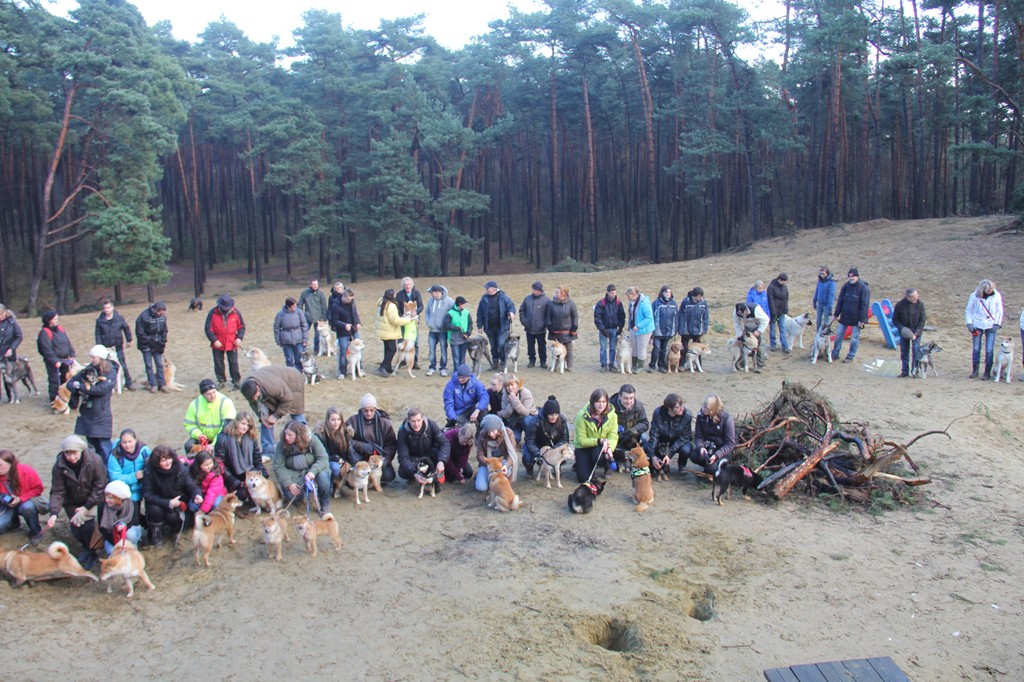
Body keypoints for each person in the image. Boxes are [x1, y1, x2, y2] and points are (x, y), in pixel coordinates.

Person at [46, 435, 107, 568]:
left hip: (92, 500)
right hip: (72, 502)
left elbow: (100, 486)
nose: (71, 457)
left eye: (74, 453)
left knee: (88, 528)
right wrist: (54, 512)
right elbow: (57, 490)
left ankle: (93, 552)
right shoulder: (59, 466)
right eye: (68, 453)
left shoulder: (95, 461)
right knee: (76, 530)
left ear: (81, 451)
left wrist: (86, 507)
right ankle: (86, 548)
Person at [142, 445, 202, 548]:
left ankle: (175, 530)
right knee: (155, 510)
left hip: (179, 503)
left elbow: (191, 486)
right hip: (159, 502)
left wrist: (197, 495)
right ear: (157, 462)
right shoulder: (150, 472)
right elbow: (148, 494)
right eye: (163, 460)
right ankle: (157, 535)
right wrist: (168, 502)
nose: (168, 462)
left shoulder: (181, 469)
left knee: (173, 517)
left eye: (169, 458)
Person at [239, 365, 306, 456]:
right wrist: (261, 416)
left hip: (292, 381)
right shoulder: (246, 389)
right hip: (274, 384)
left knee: (296, 414)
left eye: (256, 396)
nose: (255, 399)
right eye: (252, 397)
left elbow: (288, 399)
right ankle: (268, 450)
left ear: (258, 388)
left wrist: (275, 416)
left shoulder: (272, 386)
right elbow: (253, 403)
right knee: (265, 420)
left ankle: (304, 442)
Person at [67, 345, 119, 462]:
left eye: (93, 357)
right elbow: (70, 383)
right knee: (91, 448)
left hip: (101, 413)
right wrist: (79, 386)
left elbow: (101, 389)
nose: (91, 360)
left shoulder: (110, 371)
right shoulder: (88, 370)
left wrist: (81, 387)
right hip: (87, 413)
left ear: (101, 358)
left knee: (105, 448)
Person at [273, 420, 330, 515]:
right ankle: (300, 498)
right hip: (294, 472)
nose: (286, 437)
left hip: (313, 469)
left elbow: (323, 458)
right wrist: (288, 483)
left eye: (290, 435)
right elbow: (278, 466)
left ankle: (325, 503)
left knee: (323, 477)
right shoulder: (282, 444)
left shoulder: (312, 439)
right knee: (292, 495)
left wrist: (313, 471)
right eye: (285, 434)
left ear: (298, 435)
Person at [346, 394, 398, 484]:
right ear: (361, 410)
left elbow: (391, 444)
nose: (369, 413)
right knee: (352, 482)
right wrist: (362, 446)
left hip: (378, 458)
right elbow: (346, 441)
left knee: (389, 476)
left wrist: (383, 461)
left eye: (372, 410)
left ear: (375, 409)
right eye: (365, 410)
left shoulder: (384, 423)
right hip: (360, 458)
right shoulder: (352, 421)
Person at [214, 411, 266, 501]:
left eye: (248, 425)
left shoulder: (251, 437)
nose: (245, 427)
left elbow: (256, 457)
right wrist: (233, 481)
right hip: (231, 474)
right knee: (241, 495)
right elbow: (220, 464)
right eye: (243, 423)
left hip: (248, 472)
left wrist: (263, 474)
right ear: (236, 422)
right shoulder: (223, 438)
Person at [0, 450, 46, 544]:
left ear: (10, 463)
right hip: (6, 504)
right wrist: (5, 499)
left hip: (26, 501)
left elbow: (38, 489)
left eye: (1, 465)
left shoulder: (26, 471)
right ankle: (14, 523)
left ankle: (35, 531)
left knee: (27, 507)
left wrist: (20, 499)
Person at [644, 394, 694, 478]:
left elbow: (685, 437)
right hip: (663, 440)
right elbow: (654, 434)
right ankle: (660, 463)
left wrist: (669, 454)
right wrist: (652, 456)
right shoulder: (658, 413)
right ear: (670, 408)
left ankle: (681, 465)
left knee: (686, 449)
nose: (682, 408)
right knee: (647, 446)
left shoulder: (687, 415)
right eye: (678, 407)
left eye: (682, 405)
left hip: (678, 440)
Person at [574, 388, 618, 482]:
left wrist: (610, 448)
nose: (601, 404)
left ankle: (607, 465)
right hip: (584, 447)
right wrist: (599, 441)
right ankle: (582, 463)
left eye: (604, 401)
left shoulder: (613, 416)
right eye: (598, 401)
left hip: (601, 446)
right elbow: (581, 440)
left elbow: (613, 436)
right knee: (583, 479)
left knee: (600, 456)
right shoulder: (581, 416)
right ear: (592, 402)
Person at [396, 408, 450, 484]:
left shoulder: (431, 425)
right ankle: (416, 476)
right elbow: (403, 456)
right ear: (408, 420)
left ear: (423, 418)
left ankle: (435, 473)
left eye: (418, 420)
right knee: (403, 471)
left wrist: (441, 461)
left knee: (447, 460)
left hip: (431, 454)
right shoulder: (402, 432)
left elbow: (444, 443)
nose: (416, 424)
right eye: (413, 421)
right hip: (414, 458)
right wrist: (414, 474)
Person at [204, 294, 246, 391]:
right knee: (218, 362)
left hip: (232, 342)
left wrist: (239, 338)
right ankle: (221, 380)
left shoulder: (236, 313)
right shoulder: (212, 313)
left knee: (234, 362)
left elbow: (242, 327)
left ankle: (236, 381)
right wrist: (214, 340)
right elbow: (208, 329)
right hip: (217, 343)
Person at [184, 378, 237, 453]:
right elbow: (189, 424)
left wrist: (213, 444)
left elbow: (226, 427)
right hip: (203, 438)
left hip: (222, 437)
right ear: (202, 395)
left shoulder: (225, 402)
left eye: (214, 392)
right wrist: (199, 435)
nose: (212, 396)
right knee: (188, 446)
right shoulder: (195, 404)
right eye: (208, 394)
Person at [965, 279, 1004, 379]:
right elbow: (969, 310)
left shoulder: (997, 296)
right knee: (976, 348)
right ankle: (975, 370)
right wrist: (969, 323)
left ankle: (987, 372)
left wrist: (997, 323)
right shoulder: (974, 296)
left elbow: (999, 310)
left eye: (991, 289)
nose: (991, 291)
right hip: (977, 324)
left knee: (989, 349)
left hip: (991, 325)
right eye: (988, 289)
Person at [375, 288, 418, 378]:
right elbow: (395, 321)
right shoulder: (391, 306)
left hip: (382, 330)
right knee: (392, 349)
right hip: (389, 331)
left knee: (387, 349)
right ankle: (382, 367)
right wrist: (408, 320)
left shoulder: (381, 301)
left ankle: (388, 367)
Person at [524, 395, 570, 478]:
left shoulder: (562, 419)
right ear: (546, 414)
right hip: (538, 445)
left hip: (553, 445)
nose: (554, 417)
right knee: (527, 457)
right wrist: (539, 454)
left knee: (564, 454)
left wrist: (555, 451)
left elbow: (565, 438)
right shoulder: (535, 421)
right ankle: (529, 469)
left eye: (556, 414)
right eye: (551, 415)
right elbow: (529, 440)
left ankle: (557, 466)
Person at [831, 267, 871, 363]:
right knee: (839, 334)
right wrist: (836, 314)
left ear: (857, 276)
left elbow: (864, 305)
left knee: (854, 338)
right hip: (845, 316)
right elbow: (840, 300)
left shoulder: (863, 288)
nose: (851, 278)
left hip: (856, 318)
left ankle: (850, 355)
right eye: (850, 276)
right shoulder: (846, 286)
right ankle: (835, 353)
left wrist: (862, 320)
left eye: (853, 276)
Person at [94, 299, 135, 391]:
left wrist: (129, 340)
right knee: (106, 367)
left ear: (112, 308)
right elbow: (97, 334)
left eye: (108, 307)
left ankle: (129, 383)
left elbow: (126, 328)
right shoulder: (100, 321)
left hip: (117, 346)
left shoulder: (119, 318)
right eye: (105, 308)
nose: (107, 310)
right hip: (105, 348)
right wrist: (100, 347)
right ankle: (109, 384)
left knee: (122, 364)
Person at [691, 394, 737, 474]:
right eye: (703, 405)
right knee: (694, 456)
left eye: (706, 407)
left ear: (713, 409)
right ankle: (708, 465)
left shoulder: (727, 420)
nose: (703, 408)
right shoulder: (701, 416)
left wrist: (716, 455)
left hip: (723, 449)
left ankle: (716, 467)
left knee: (710, 469)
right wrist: (701, 447)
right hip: (709, 446)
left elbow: (730, 444)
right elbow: (698, 436)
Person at [37, 310, 76, 402]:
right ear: (49, 320)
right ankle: (54, 401)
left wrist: (72, 353)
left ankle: (66, 399)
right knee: (54, 381)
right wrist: (55, 361)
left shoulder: (60, 329)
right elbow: (46, 350)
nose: (57, 320)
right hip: (54, 363)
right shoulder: (44, 333)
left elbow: (67, 342)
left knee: (66, 379)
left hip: (65, 359)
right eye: (54, 319)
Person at [476, 280, 516, 370]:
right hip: (489, 327)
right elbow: (480, 313)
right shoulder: (484, 299)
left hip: (502, 327)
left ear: (494, 289)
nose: (486, 289)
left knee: (501, 344)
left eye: (487, 288)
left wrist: (511, 312)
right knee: (493, 346)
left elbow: (511, 306)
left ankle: (503, 362)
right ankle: (495, 362)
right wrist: (479, 325)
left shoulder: (503, 297)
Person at [96, 480, 142, 554]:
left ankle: (132, 547)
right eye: (106, 497)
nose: (106, 500)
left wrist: (122, 527)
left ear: (119, 498)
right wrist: (117, 542)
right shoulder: (102, 506)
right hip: (111, 536)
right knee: (112, 552)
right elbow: (102, 528)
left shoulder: (132, 505)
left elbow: (134, 522)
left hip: (128, 531)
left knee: (130, 535)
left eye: (110, 498)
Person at [474, 413, 517, 492]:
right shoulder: (482, 435)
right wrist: (489, 463)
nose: (491, 434)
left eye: (493, 431)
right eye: (488, 432)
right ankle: (482, 475)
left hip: (503, 462)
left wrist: (506, 466)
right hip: (488, 464)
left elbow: (512, 454)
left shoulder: (508, 433)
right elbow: (480, 455)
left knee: (502, 487)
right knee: (481, 487)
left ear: (498, 428)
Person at [106, 429, 150, 503]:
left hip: (142, 488)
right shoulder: (115, 456)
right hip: (123, 492)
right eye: (124, 442)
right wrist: (134, 477)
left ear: (135, 440)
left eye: (130, 441)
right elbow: (115, 477)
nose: (127, 445)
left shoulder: (144, 451)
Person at [609, 384, 650, 464]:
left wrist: (633, 430)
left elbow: (645, 423)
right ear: (619, 396)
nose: (629, 401)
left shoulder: (638, 406)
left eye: (631, 398)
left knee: (644, 438)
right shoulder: (610, 406)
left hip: (632, 434)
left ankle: (635, 456)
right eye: (626, 398)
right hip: (615, 434)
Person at [135, 300, 169, 393]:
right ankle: (152, 384)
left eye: (163, 313)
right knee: (149, 365)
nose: (162, 315)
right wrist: (150, 342)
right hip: (146, 345)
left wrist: (163, 342)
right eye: (160, 313)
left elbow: (164, 330)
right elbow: (140, 333)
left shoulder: (162, 317)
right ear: (155, 310)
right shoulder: (143, 317)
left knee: (159, 364)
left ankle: (162, 384)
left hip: (158, 344)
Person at [892, 288, 927, 378]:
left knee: (916, 351)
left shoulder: (920, 304)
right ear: (907, 297)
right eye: (913, 298)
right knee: (904, 352)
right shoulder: (900, 305)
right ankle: (905, 371)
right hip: (904, 332)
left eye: (916, 297)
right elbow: (895, 320)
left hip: (917, 331)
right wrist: (902, 329)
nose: (915, 299)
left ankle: (915, 371)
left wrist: (917, 332)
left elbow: (923, 320)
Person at [314, 408, 353, 482]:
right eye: (333, 420)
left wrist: (354, 464)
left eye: (338, 419)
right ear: (327, 420)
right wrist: (335, 458)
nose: (336, 423)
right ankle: (330, 485)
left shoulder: (346, 433)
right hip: (326, 463)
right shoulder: (320, 435)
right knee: (334, 467)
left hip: (341, 463)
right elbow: (319, 455)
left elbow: (350, 452)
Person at [329, 287, 361, 378]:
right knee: (343, 351)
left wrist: (358, 323)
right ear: (344, 296)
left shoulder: (352, 302)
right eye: (349, 299)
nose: (350, 301)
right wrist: (344, 325)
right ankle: (342, 371)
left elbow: (355, 314)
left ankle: (359, 369)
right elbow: (334, 320)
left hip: (354, 329)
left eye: (351, 299)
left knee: (358, 349)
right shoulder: (335, 306)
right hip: (342, 332)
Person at [546, 286, 579, 371]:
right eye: (555, 292)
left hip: (568, 330)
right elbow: (548, 316)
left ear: (563, 294)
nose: (556, 294)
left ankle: (570, 366)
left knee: (569, 349)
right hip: (555, 330)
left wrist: (574, 327)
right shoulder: (551, 304)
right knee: (556, 349)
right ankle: (555, 366)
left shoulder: (571, 303)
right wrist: (549, 326)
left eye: (557, 292)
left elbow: (575, 316)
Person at [498, 374, 537, 444]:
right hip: (515, 420)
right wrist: (511, 404)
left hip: (528, 417)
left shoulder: (526, 393)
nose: (510, 388)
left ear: (517, 385)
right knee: (515, 439)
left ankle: (530, 440)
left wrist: (515, 401)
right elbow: (504, 414)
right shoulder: (505, 395)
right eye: (507, 386)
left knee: (527, 420)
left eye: (512, 385)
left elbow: (526, 412)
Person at [519, 281, 550, 369]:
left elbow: (549, 314)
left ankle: (543, 361)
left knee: (542, 346)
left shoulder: (546, 300)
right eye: (532, 289)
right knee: (530, 346)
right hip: (529, 328)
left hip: (541, 329)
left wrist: (544, 324)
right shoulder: (527, 299)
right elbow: (522, 310)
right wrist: (524, 321)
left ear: (539, 290)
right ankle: (531, 360)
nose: (532, 290)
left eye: (534, 289)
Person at [594, 284, 625, 372]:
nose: (613, 294)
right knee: (603, 348)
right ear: (607, 293)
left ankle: (612, 364)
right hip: (604, 329)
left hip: (614, 329)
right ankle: (603, 365)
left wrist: (621, 327)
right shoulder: (601, 303)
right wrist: (602, 329)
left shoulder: (618, 303)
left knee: (613, 348)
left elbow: (622, 315)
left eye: (615, 293)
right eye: (612, 293)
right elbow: (597, 317)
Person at [425, 284, 454, 377]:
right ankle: (432, 367)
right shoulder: (431, 300)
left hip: (443, 331)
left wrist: (446, 325)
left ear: (437, 292)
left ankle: (443, 368)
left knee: (443, 350)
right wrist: (428, 322)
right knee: (431, 350)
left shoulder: (449, 301)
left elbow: (452, 314)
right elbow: (427, 312)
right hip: (432, 330)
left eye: (432, 293)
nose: (431, 295)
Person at [396, 277, 425, 370]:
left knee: (415, 341)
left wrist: (416, 312)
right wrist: (402, 315)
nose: (407, 286)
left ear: (411, 285)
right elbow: (397, 307)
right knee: (401, 341)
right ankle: (401, 361)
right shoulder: (400, 294)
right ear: (403, 286)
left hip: (414, 322)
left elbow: (421, 306)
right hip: (403, 320)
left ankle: (414, 362)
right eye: (405, 285)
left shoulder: (416, 293)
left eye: (408, 284)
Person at [273, 296, 308, 370]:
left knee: (299, 359)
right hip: (286, 340)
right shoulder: (280, 315)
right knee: (289, 360)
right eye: (293, 306)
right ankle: (290, 375)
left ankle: (298, 374)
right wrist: (278, 340)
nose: (295, 307)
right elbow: (276, 328)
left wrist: (305, 339)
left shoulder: (299, 312)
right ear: (288, 306)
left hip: (298, 339)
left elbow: (304, 325)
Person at [649, 285, 677, 373]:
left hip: (669, 331)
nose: (668, 294)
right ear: (662, 293)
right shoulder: (656, 303)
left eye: (669, 292)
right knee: (656, 349)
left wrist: (675, 329)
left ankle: (661, 365)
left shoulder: (674, 304)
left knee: (664, 350)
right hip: (657, 331)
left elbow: (676, 318)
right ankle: (652, 365)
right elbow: (651, 317)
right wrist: (652, 332)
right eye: (666, 292)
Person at [625, 286, 654, 372]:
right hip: (633, 329)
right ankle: (634, 364)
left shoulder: (644, 303)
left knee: (641, 348)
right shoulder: (631, 303)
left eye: (628, 296)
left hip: (644, 330)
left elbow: (649, 318)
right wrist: (629, 325)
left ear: (634, 294)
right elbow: (631, 315)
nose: (627, 298)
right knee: (634, 348)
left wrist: (638, 326)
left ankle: (640, 366)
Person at [733, 302, 770, 368]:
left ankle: (760, 364)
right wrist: (739, 334)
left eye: (744, 314)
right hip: (747, 328)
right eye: (741, 315)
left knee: (760, 345)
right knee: (744, 345)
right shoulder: (736, 313)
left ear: (746, 310)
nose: (743, 316)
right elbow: (737, 324)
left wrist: (759, 331)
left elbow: (766, 320)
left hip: (758, 327)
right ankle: (742, 365)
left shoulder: (756, 310)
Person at [677, 287, 710, 360]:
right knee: (684, 348)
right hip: (686, 330)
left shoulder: (704, 303)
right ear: (695, 296)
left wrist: (704, 329)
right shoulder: (686, 302)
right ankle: (682, 364)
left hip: (698, 330)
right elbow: (681, 316)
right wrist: (680, 329)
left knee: (698, 349)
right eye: (699, 296)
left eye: (701, 296)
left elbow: (706, 317)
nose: (701, 298)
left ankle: (698, 365)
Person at [298, 278, 328, 356]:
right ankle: (302, 350)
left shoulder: (321, 294)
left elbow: (324, 306)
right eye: (314, 284)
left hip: (319, 319)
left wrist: (324, 318)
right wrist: (300, 316)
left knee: (317, 336)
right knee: (304, 334)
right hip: (307, 317)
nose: (315, 286)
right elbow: (300, 305)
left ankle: (316, 350)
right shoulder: (304, 293)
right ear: (310, 285)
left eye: (316, 284)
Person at [444, 296, 473, 369]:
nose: (464, 305)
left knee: (462, 356)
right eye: (463, 304)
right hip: (454, 338)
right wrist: (456, 328)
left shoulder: (466, 312)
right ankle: (456, 371)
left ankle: (461, 371)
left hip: (463, 337)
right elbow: (445, 324)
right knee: (456, 357)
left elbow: (470, 324)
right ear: (460, 304)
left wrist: (468, 333)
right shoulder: (450, 313)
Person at [766, 273, 790, 354]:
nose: (784, 283)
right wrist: (773, 312)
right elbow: (770, 300)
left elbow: (786, 298)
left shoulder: (784, 287)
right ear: (779, 280)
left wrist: (786, 308)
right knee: (773, 329)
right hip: (774, 311)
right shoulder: (771, 287)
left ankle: (785, 346)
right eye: (783, 281)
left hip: (782, 311)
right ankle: (773, 344)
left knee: (782, 329)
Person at [812, 266, 836, 332]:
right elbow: (817, 291)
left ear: (827, 274)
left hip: (826, 305)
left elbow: (831, 295)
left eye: (823, 274)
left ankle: (826, 337)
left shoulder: (831, 283)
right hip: (819, 304)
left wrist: (830, 308)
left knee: (826, 322)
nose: (822, 275)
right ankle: (818, 337)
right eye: (820, 274)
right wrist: (814, 301)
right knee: (818, 321)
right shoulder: (819, 281)